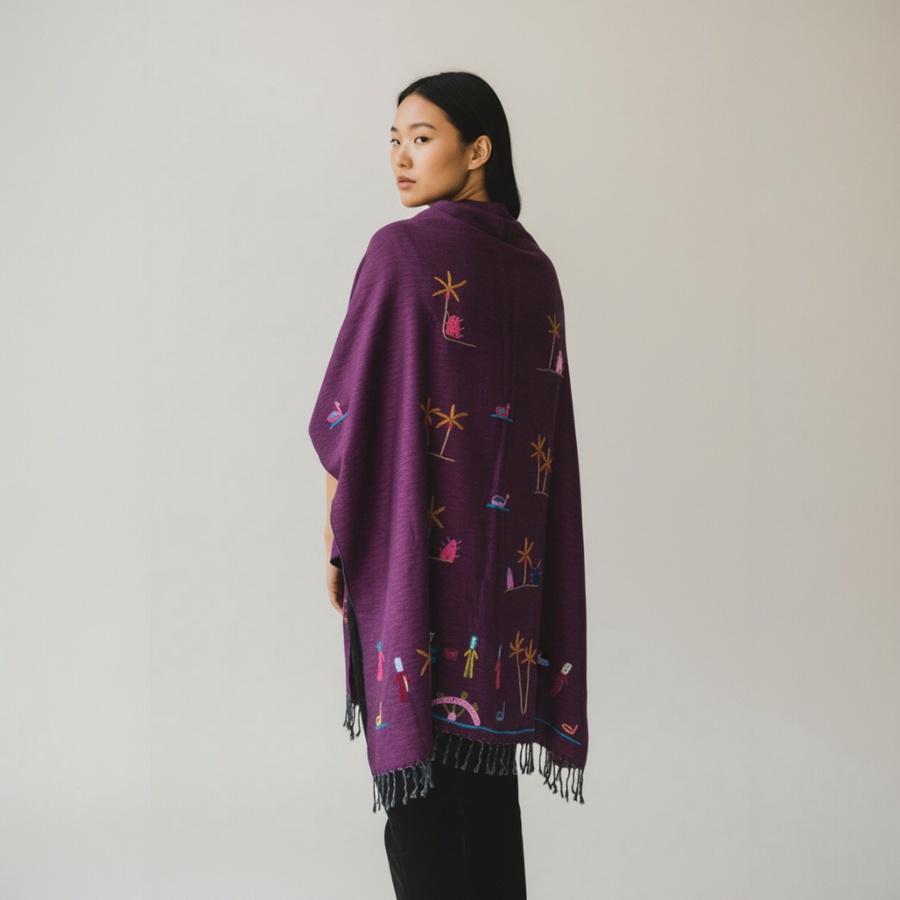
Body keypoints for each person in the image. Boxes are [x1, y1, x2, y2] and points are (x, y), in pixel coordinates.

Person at [309, 71, 588, 900]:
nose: (400, 157)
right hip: (504, 590)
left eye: (422, 138)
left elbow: (348, 412)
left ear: (478, 151)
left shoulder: (401, 252)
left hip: (416, 564)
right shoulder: (537, 271)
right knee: (488, 795)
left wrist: (337, 539)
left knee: (422, 801)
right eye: (394, 140)